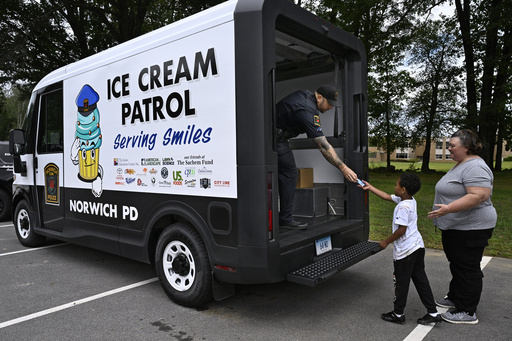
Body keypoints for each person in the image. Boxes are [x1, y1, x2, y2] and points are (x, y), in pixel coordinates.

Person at [427, 129, 496, 325]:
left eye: (452, 146)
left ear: (466, 147)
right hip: (458, 227)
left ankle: (467, 310)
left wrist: (448, 209)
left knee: (467, 268)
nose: (448, 149)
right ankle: (456, 297)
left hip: (471, 227)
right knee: (458, 264)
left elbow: (479, 195)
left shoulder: (475, 167)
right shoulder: (463, 164)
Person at [360, 173, 441, 325]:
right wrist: (370, 188)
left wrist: (385, 242)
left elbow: (401, 230)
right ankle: (433, 312)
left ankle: (398, 314)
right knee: (420, 280)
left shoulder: (402, 207)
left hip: (406, 252)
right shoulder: (410, 200)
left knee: (401, 283)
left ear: (403, 189)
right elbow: (385, 196)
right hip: (417, 247)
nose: (394, 187)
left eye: (396, 185)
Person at [276, 85, 358, 230]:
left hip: (277, 137)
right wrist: (343, 167)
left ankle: (284, 217)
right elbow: (323, 145)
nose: (331, 108)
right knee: (289, 173)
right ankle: (285, 219)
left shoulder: (306, 98)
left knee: (286, 173)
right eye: (330, 104)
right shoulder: (307, 108)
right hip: (272, 138)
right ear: (319, 97)